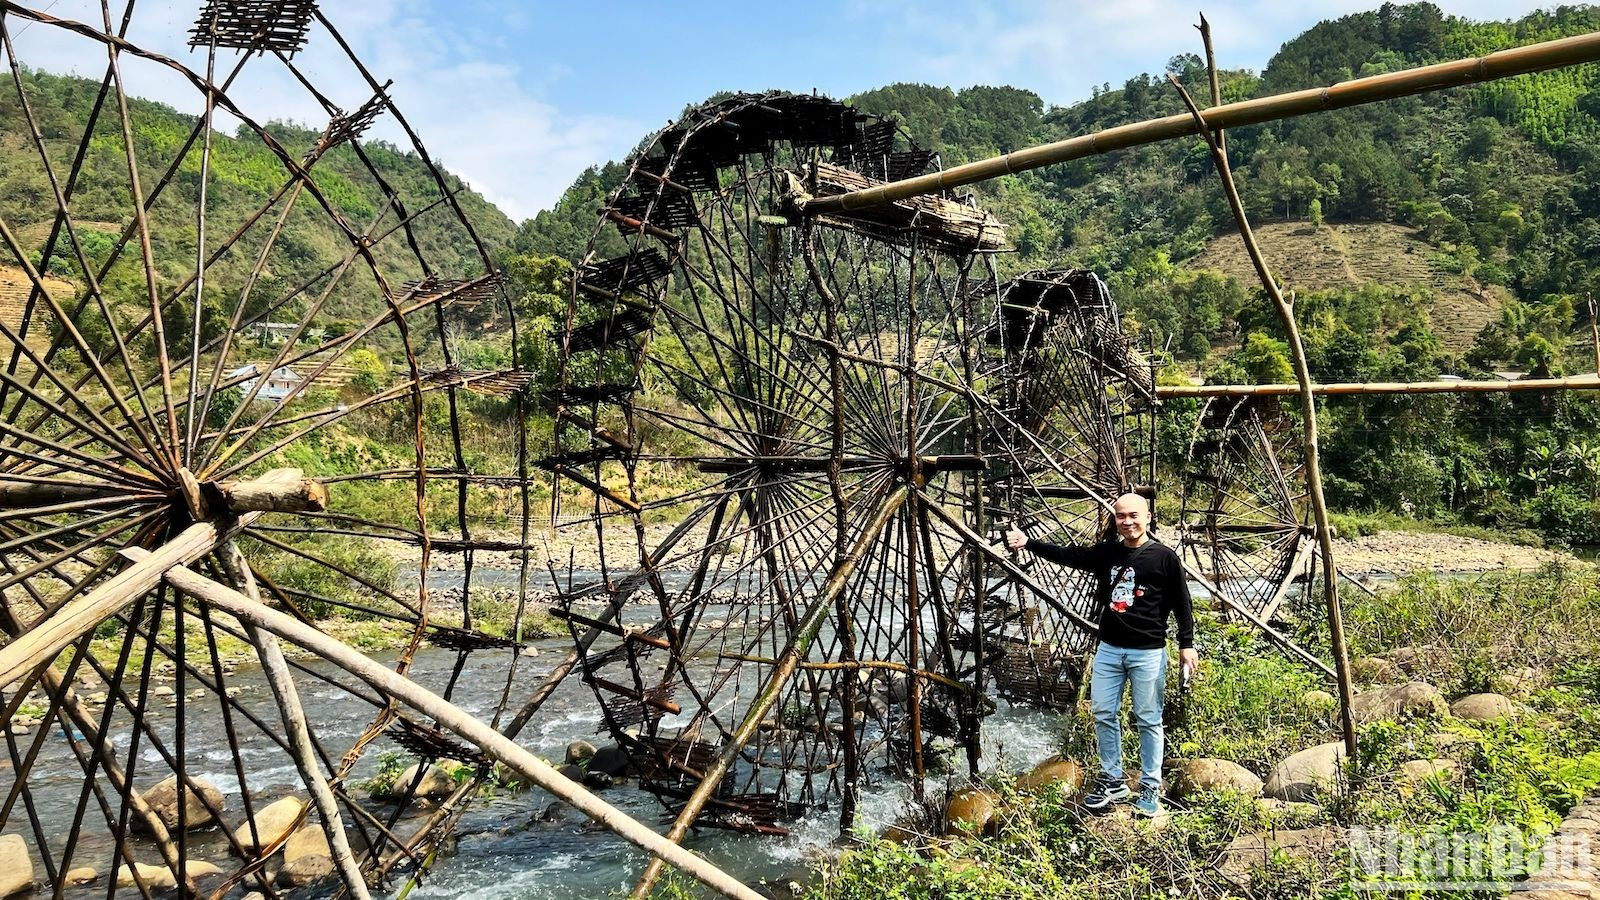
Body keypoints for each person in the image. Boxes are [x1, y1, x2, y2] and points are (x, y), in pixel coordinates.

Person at [1005, 492, 1197, 817]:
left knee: (1148, 719)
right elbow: (1069, 556)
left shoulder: (1164, 557)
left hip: (1148, 652)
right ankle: (1113, 779)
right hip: (1108, 649)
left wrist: (1186, 644)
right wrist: (1029, 543)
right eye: (1121, 516)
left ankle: (1150, 785)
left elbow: (1182, 602)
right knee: (1104, 714)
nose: (1127, 521)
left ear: (1148, 517)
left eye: (1134, 515)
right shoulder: (1108, 553)